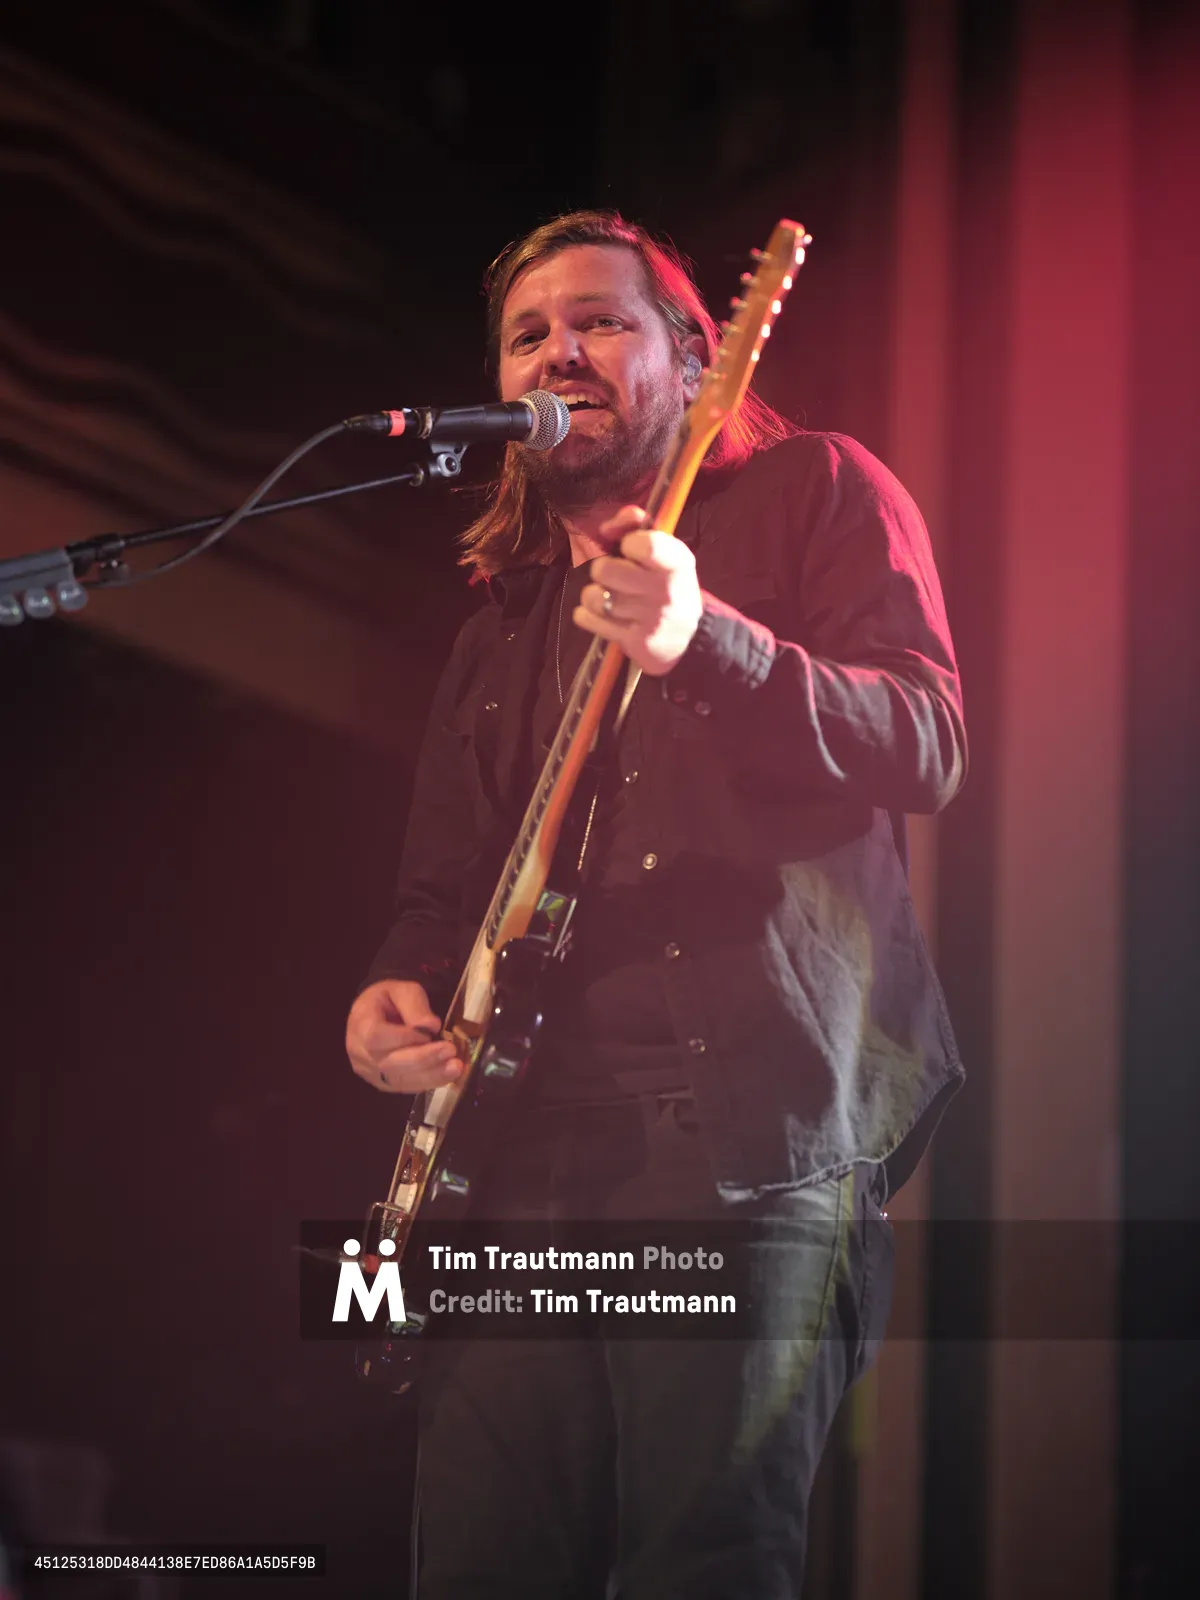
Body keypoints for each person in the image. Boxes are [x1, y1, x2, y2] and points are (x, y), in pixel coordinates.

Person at [344, 210, 966, 1599]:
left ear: (697, 362)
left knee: (705, 1568)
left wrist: (711, 643)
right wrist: (390, 1002)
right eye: (527, 334)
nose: (559, 350)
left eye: (601, 322)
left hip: (733, 1142)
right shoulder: (495, 627)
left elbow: (927, 742)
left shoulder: (816, 490)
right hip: (508, 1169)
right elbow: (440, 897)